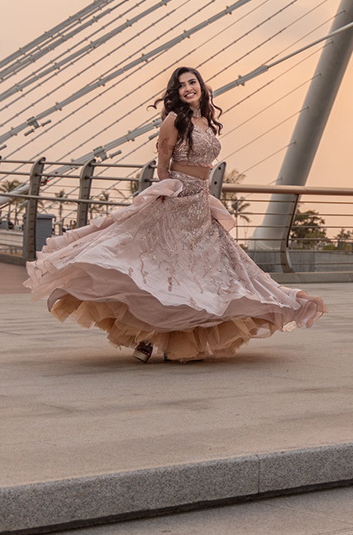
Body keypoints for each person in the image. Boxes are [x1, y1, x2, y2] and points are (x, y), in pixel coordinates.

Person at [25, 66, 326, 362]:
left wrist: (199, 196)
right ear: (176, 92)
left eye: (192, 82)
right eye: (181, 85)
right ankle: (145, 338)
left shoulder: (207, 121)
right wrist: (173, 193)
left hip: (201, 202)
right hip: (177, 201)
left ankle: (168, 337)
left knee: (199, 273)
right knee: (163, 271)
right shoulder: (173, 120)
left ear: (201, 86)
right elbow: (162, 165)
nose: (187, 88)